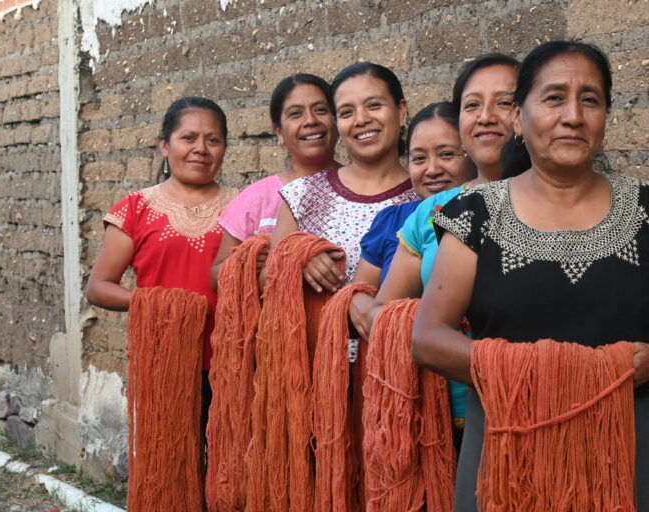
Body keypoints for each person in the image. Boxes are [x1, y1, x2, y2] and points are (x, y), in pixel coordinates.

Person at [411, 41, 649, 511]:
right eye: (553, 98)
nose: (573, 115)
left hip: (630, 444)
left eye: (590, 99)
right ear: (517, 118)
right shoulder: (475, 215)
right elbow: (428, 338)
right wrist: (535, 376)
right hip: (509, 446)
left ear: (605, 115)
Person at [361, 54, 520, 445]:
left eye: (504, 102)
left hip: (530, 401)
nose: (487, 117)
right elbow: (382, 310)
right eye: (472, 105)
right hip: (439, 415)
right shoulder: (430, 213)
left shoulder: (556, 201)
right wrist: (431, 317)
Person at [85, 96, 237, 441]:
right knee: (170, 465)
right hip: (163, 358)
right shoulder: (137, 208)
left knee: (231, 466)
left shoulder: (242, 206)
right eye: (188, 138)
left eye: (213, 140)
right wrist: (157, 301)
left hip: (232, 359)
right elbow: (98, 287)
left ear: (224, 148)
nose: (201, 148)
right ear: (164, 146)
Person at [267, 62, 419, 293]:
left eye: (374, 105)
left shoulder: (425, 195)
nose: (361, 120)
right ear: (337, 123)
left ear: (401, 112)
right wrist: (297, 256)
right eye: (347, 112)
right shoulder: (302, 195)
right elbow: (266, 287)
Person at [347, 101, 476, 339]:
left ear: (472, 152)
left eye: (447, 154)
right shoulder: (391, 220)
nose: (432, 169)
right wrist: (366, 308)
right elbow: (359, 291)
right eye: (419, 159)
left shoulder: (494, 209)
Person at [210, 74, 340, 287]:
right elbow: (215, 276)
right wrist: (248, 261)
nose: (310, 121)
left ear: (336, 121)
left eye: (321, 110)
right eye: (296, 114)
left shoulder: (358, 187)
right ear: (278, 132)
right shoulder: (257, 197)